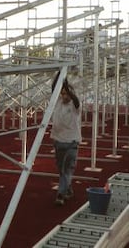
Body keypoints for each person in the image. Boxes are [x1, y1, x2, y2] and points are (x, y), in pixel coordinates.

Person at [50, 73, 82, 206]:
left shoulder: (75, 106)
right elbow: (54, 88)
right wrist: (60, 73)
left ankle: (60, 195)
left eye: (66, 94)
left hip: (71, 143)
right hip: (58, 142)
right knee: (61, 170)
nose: (64, 96)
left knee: (67, 170)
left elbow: (75, 100)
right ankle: (68, 189)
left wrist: (67, 84)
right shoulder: (58, 103)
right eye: (62, 94)